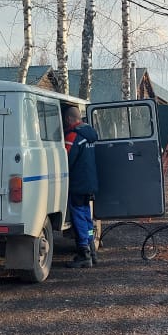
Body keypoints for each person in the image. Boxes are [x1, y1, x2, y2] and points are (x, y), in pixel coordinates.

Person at [63, 106, 99, 268]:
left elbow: (66, 160)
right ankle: (92, 250)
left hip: (77, 184)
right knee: (86, 216)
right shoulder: (90, 135)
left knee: (78, 217)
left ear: (69, 119)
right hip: (90, 183)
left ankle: (83, 253)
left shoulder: (73, 136)